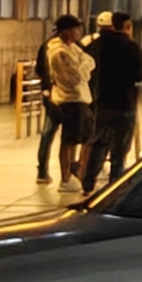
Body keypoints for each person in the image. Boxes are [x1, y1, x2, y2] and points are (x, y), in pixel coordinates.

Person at [87, 12, 142, 189]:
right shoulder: (131, 47)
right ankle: (115, 182)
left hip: (103, 101)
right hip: (125, 102)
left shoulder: (97, 45)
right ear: (127, 26)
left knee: (99, 142)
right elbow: (139, 75)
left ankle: (88, 181)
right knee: (120, 147)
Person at [42, 14, 94, 187]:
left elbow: (90, 61)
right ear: (65, 31)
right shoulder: (59, 52)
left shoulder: (73, 48)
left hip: (80, 99)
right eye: (76, 28)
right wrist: (84, 65)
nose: (79, 32)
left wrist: (83, 64)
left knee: (84, 138)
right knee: (69, 140)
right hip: (69, 100)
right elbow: (77, 77)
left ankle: (76, 170)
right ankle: (66, 177)